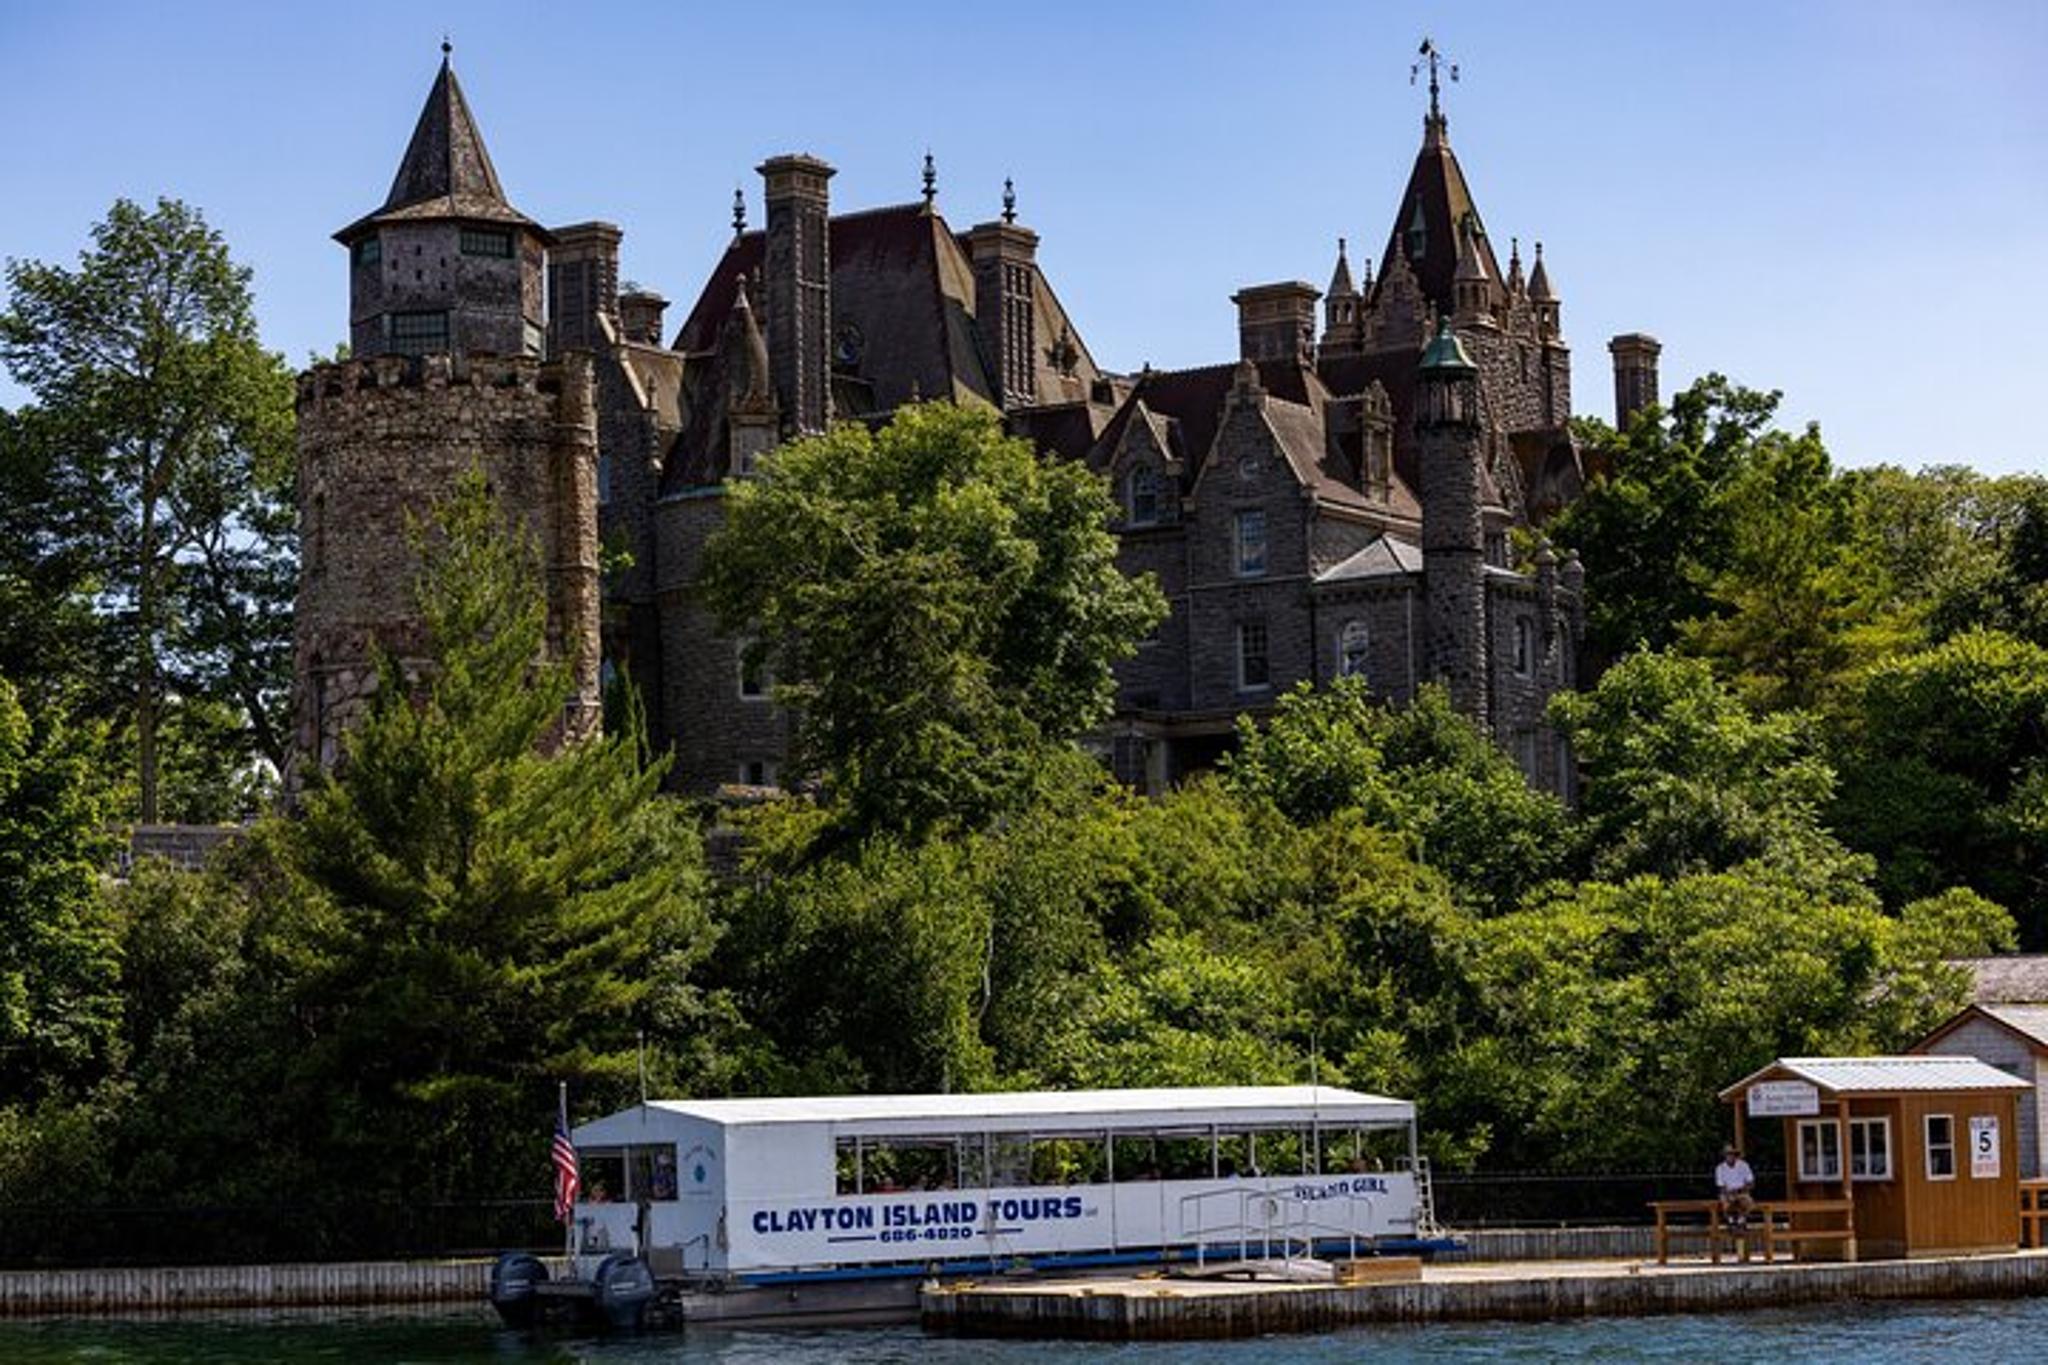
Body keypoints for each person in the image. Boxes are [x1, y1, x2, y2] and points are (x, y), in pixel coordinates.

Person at [1714, 1144, 1756, 1231]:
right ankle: (1731, 1222)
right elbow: (1720, 1186)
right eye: (1727, 1154)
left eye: (1731, 1153)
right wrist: (1729, 1194)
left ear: (1735, 1155)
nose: (1730, 1156)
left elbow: (1751, 1182)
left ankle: (1741, 1221)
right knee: (1725, 1202)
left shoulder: (1744, 1165)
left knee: (1748, 1202)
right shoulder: (1720, 1168)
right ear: (1724, 1156)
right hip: (1727, 1193)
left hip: (1742, 1191)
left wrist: (1742, 1190)